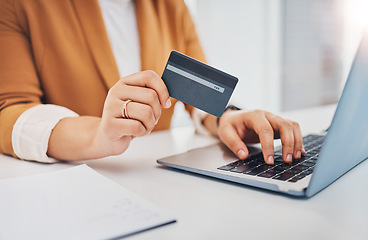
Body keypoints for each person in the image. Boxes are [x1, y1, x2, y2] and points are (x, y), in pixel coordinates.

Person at [0, 0, 305, 164]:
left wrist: (227, 117)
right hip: (80, 187)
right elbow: (9, 111)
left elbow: (194, 93)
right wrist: (98, 135)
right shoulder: (18, 5)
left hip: (159, 179)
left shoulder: (172, 6)